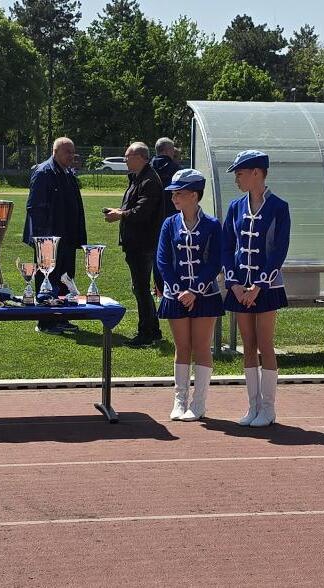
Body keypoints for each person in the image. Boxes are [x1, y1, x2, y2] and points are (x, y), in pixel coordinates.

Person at [222, 150, 290, 427]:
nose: (236, 179)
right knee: (248, 345)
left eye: (240, 174)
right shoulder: (235, 207)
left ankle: (268, 408)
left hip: (267, 287)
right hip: (240, 287)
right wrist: (235, 284)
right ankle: (253, 406)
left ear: (257, 173)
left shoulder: (279, 207)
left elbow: (279, 251)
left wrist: (259, 285)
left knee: (265, 343)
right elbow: (227, 247)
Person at [156, 169, 224, 421]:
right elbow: (163, 260)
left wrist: (195, 289)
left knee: (201, 346)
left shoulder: (212, 225)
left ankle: (199, 403)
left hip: (205, 295)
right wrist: (178, 289)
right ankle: (180, 400)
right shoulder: (169, 224)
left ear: (194, 195)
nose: (174, 198)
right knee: (182, 347)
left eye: (179, 193)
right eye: (173, 193)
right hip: (176, 295)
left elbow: (215, 261)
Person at [23, 137, 87, 335]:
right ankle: (45, 322)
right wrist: (44, 241)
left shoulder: (68, 173)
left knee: (66, 278)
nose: (71, 156)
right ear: (55, 151)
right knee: (47, 279)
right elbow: (34, 207)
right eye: (67, 152)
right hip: (49, 240)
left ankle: (62, 316)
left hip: (67, 238)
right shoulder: (43, 172)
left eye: (73, 152)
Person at [104, 141, 163, 346]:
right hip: (136, 242)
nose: (125, 159)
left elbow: (142, 212)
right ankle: (152, 330)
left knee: (141, 288)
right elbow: (134, 207)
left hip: (142, 243)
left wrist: (120, 214)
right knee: (140, 287)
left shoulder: (149, 180)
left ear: (140, 157)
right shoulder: (138, 178)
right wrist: (119, 211)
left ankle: (146, 333)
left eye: (128, 156)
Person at [150, 137, 181, 296]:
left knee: (155, 254)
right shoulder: (176, 170)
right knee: (171, 254)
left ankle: (158, 287)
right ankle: (170, 288)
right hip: (172, 218)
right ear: (169, 150)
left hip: (150, 220)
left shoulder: (148, 169)